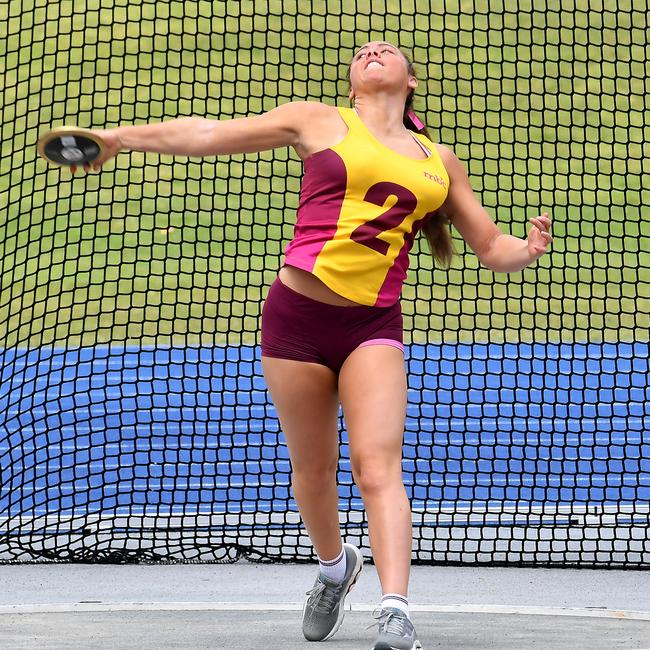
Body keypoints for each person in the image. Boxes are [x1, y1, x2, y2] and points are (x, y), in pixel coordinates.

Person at [70, 41, 552, 650]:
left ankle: (395, 610)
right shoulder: (321, 120)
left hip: (372, 327)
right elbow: (206, 132)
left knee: (376, 465)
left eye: (388, 50)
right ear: (353, 84)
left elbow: (489, 246)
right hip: (295, 319)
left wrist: (526, 249)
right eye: (362, 51)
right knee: (314, 472)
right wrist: (121, 139)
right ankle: (333, 568)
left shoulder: (438, 160)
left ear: (411, 81)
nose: (373, 51)